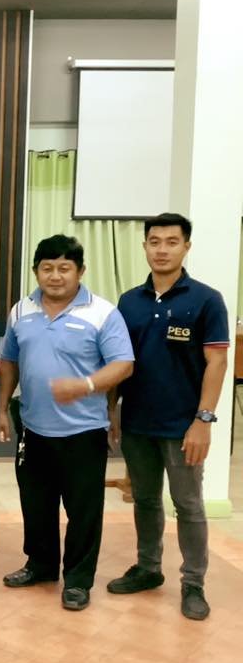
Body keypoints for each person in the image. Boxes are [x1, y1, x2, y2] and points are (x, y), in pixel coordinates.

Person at [0, 235, 134, 611]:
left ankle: (77, 580)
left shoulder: (102, 312)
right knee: (36, 504)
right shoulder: (21, 310)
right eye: (47, 268)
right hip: (32, 428)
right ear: (36, 271)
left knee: (83, 511)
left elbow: (123, 364)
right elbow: (8, 360)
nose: (55, 276)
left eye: (64, 268)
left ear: (80, 271)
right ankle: (40, 565)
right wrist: (1, 407)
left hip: (84, 431)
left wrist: (85, 385)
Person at [108, 213, 228, 621]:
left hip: (183, 426)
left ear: (186, 247)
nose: (162, 250)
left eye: (172, 242)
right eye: (155, 242)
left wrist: (203, 420)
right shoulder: (129, 301)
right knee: (144, 498)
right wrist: (112, 410)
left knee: (188, 504)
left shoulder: (206, 299)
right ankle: (148, 568)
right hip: (137, 423)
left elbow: (216, 362)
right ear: (144, 246)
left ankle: (193, 583)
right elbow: (119, 361)